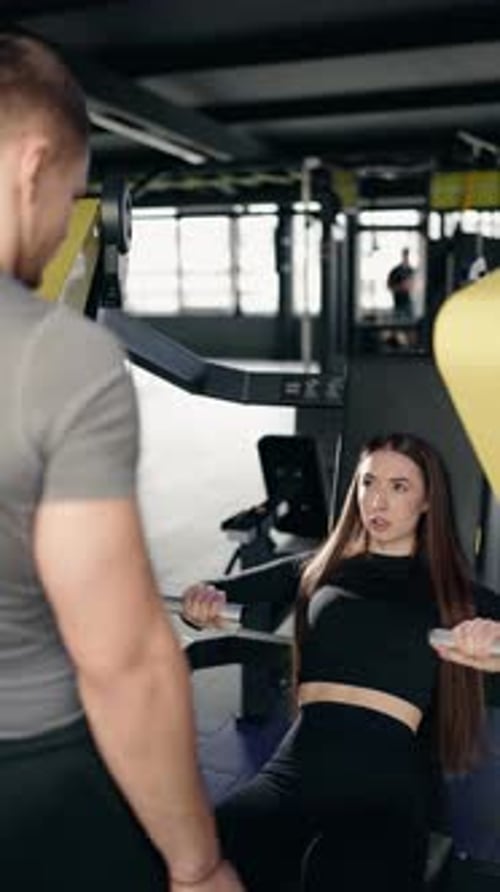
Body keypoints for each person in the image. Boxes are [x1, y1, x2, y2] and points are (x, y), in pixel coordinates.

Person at [0, 31, 243, 892]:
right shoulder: (56, 354)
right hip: (31, 775)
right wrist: (197, 863)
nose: (60, 227)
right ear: (32, 166)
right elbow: (123, 659)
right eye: (70, 195)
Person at [182, 432, 500, 891]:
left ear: (428, 501)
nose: (378, 500)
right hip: (294, 772)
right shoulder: (321, 566)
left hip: (385, 790)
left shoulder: (454, 592)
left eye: (399, 487)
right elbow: (216, 592)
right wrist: (200, 603)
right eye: (368, 483)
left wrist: (492, 646)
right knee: (205, 857)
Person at [387, 247, 415, 318]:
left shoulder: (412, 271)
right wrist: (400, 287)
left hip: (409, 304)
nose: (406, 258)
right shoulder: (396, 271)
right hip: (399, 303)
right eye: (405, 255)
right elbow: (390, 285)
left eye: (407, 255)